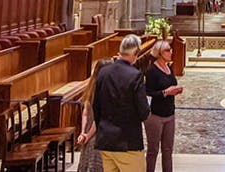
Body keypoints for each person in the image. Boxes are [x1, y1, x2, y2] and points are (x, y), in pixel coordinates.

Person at [94, 34, 150, 172]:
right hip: (127, 143)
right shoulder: (135, 75)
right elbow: (143, 112)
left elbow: (96, 106)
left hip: (106, 141)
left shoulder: (103, 72)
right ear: (136, 53)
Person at [143, 40, 183, 171]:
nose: (170, 52)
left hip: (170, 113)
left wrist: (175, 90)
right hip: (155, 115)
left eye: (170, 49)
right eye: (167, 50)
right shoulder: (151, 71)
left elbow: (171, 84)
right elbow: (148, 92)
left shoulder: (169, 67)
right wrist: (166, 92)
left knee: (168, 150)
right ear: (159, 53)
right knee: (153, 150)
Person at [76, 58, 109, 172]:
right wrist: (87, 135)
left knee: (87, 162)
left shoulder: (91, 86)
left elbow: (85, 113)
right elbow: (98, 118)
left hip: (90, 130)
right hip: (98, 133)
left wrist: (83, 132)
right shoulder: (105, 89)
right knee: (96, 164)